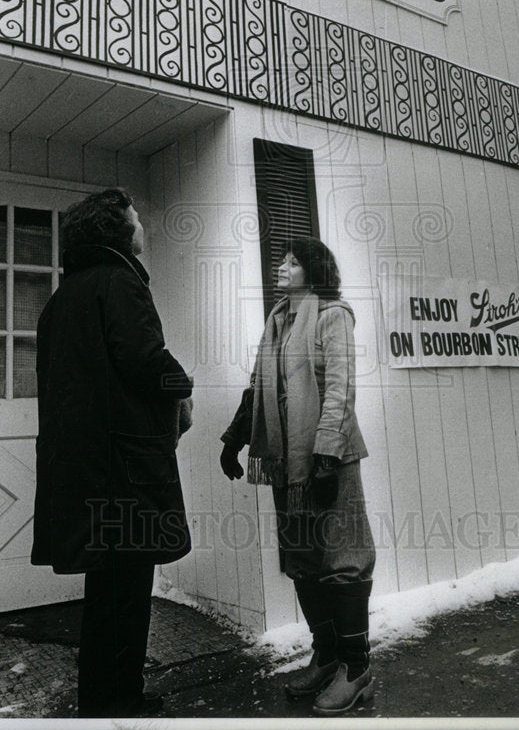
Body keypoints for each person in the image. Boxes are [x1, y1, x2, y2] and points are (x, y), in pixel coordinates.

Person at [31, 188, 194, 718]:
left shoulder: (63, 297)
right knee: (127, 594)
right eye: (135, 216)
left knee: (105, 595)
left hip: (86, 473)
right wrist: (184, 387)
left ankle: (100, 700)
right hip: (127, 473)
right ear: (116, 229)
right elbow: (145, 358)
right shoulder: (120, 281)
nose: (142, 223)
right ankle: (121, 702)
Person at [220, 236, 376, 716]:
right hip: (288, 463)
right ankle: (326, 657)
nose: (282, 267)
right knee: (305, 560)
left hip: (327, 461)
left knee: (343, 559)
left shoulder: (333, 314)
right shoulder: (277, 319)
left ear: (315, 269)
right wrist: (236, 436)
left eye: (292, 261)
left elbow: (339, 389)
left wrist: (327, 455)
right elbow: (257, 384)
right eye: (281, 259)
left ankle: (356, 668)